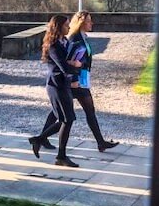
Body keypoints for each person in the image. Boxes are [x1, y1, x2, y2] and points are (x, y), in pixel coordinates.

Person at [39, 11, 119, 153]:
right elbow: (68, 62)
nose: (91, 23)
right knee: (73, 114)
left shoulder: (81, 37)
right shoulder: (75, 39)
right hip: (76, 80)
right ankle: (43, 140)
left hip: (80, 78)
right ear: (81, 23)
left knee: (61, 112)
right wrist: (75, 79)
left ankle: (42, 138)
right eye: (88, 21)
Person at [28, 15, 82, 167]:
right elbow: (64, 67)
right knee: (67, 120)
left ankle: (40, 141)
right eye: (66, 25)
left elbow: (66, 62)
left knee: (66, 119)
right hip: (56, 86)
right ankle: (59, 155)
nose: (69, 27)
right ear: (58, 27)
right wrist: (76, 66)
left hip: (64, 85)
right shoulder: (53, 45)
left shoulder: (64, 42)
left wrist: (73, 64)